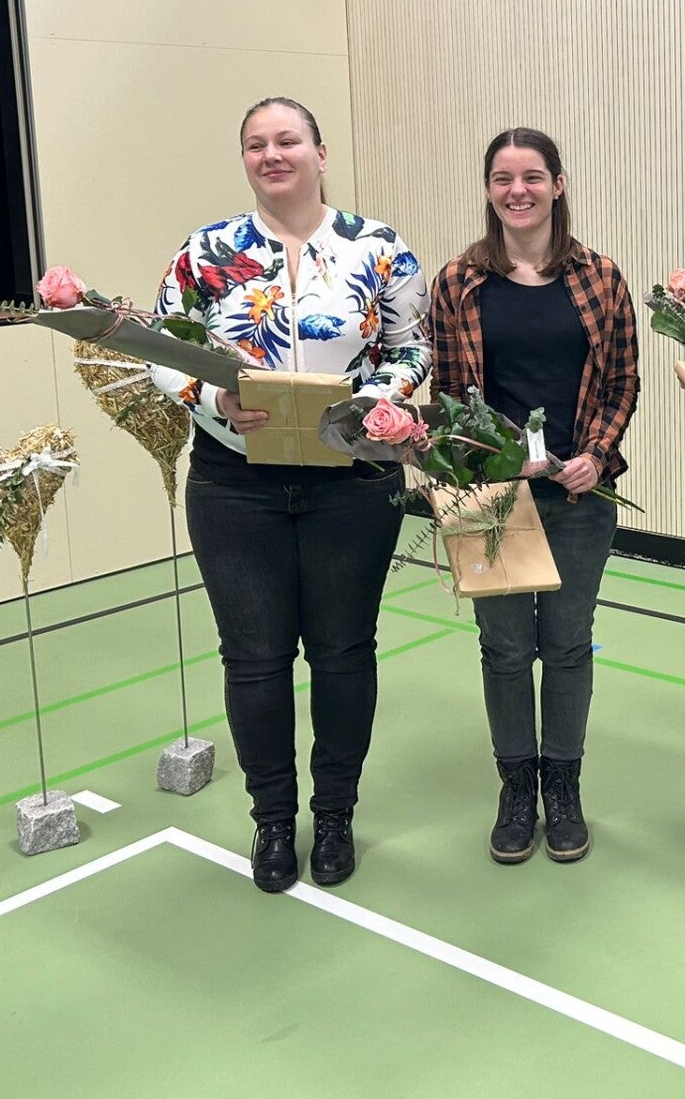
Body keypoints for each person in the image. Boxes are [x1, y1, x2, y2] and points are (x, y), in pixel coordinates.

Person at [151, 96, 430, 894]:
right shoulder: (207, 251)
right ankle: (273, 820)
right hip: (235, 485)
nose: (272, 155)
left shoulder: (378, 247)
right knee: (255, 659)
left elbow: (413, 347)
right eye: (255, 144)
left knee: (343, 653)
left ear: (320, 152)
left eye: (287, 141)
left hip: (354, 481)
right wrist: (212, 400)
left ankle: (335, 814)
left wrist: (375, 400)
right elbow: (162, 349)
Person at [428, 128, 639, 865]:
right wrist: (479, 461)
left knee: (568, 646)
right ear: (489, 190)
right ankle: (517, 788)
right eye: (502, 179)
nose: (517, 191)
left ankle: (564, 786)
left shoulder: (601, 277)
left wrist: (597, 456)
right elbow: (447, 391)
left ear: (558, 184)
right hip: (489, 497)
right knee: (506, 650)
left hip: (578, 499)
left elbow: (621, 382)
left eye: (532, 177)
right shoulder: (458, 281)